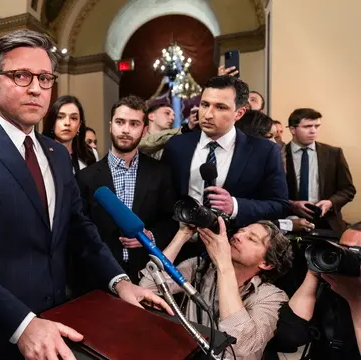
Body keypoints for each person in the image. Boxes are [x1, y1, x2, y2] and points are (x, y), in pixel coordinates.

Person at [0, 29, 172, 360]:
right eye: (21, 75)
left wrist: (120, 282)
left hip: (61, 320)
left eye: (44, 78)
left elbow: (79, 228)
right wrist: (22, 324)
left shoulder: (56, 153)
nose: (35, 88)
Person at [140, 219, 293, 360]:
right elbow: (146, 288)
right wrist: (182, 235)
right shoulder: (200, 267)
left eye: (251, 239)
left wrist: (224, 264)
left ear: (266, 264)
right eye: (241, 231)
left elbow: (240, 345)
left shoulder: (272, 297)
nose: (238, 236)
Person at [161, 76, 288, 232]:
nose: (207, 114)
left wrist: (234, 205)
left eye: (220, 107)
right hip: (182, 244)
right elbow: (163, 201)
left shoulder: (264, 151)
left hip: (234, 244)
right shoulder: (176, 146)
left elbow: (279, 205)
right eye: (204, 104)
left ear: (239, 113)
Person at [76, 95, 177, 284]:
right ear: (110, 125)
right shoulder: (86, 178)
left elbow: (171, 221)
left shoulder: (160, 173)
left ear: (145, 129)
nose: (125, 130)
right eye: (120, 122)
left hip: (148, 274)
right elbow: (80, 229)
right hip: (100, 276)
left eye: (134, 124)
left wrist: (151, 236)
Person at [266, 223, 361, 359]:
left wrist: (355, 300)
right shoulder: (332, 286)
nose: (347, 258)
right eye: (343, 249)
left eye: (357, 253)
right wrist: (314, 272)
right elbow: (288, 336)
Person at [284, 108, 355, 233]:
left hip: (327, 223)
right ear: (292, 129)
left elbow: (348, 189)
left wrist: (330, 203)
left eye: (317, 126)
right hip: (290, 222)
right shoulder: (279, 153)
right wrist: (292, 204)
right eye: (307, 126)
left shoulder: (333, 153)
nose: (313, 131)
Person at [42, 95, 96, 173]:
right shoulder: (40, 152)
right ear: (52, 122)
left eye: (73, 118)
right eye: (60, 117)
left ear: (79, 125)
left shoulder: (90, 155)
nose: (67, 123)